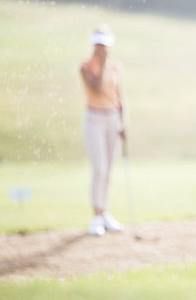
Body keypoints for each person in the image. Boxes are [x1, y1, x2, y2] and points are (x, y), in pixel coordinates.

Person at [80, 24, 126, 236]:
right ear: (94, 45)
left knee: (108, 169)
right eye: (99, 45)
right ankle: (96, 216)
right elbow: (97, 88)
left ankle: (104, 213)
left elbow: (119, 96)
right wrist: (101, 63)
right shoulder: (86, 66)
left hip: (112, 118)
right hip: (95, 118)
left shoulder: (115, 67)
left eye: (105, 45)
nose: (102, 49)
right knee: (99, 168)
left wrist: (123, 123)